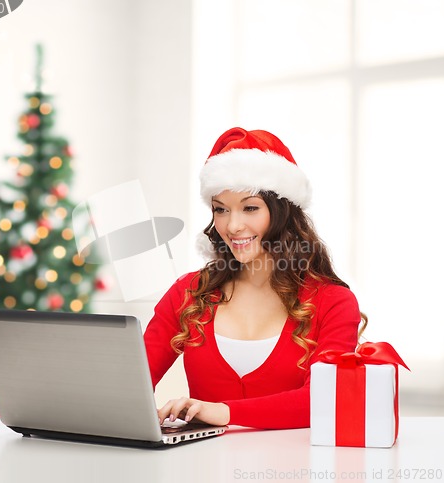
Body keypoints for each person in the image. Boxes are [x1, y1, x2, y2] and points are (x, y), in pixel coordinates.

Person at [144, 127, 366, 430]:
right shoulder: (189, 292)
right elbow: (131, 383)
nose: (233, 225)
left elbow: (326, 400)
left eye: (250, 208)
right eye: (220, 210)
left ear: (283, 212)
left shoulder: (333, 302)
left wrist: (223, 412)